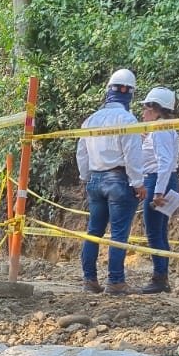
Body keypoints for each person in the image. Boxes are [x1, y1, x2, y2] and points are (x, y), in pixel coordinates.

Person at [74, 69, 146, 294]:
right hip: (119, 180)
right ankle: (115, 281)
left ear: (108, 91)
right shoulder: (127, 119)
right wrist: (138, 183)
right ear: (129, 93)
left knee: (93, 231)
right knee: (118, 234)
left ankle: (89, 281)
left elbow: (82, 153)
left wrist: (84, 177)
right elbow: (132, 154)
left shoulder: (91, 120)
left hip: (95, 180)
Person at [135, 87, 179, 294]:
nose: (143, 113)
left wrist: (158, 192)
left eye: (146, 108)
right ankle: (161, 276)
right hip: (162, 180)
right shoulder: (161, 130)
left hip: (158, 181)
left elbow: (164, 162)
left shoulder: (161, 129)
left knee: (155, 233)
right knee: (159, 232)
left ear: (156, 109)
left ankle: (160, 278)